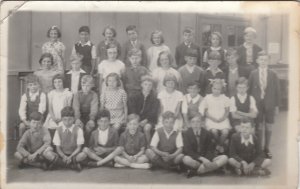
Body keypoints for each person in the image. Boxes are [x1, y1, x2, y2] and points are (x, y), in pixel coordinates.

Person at [248, 51, 280, 158]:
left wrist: (276, 106)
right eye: (261, 60)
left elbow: (277, 91)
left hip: (270, 103)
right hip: (257, 104)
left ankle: (266, 147)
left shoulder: (273, 74)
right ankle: (258, 148)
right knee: (259, 125)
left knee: (269, 125)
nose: (263, 62)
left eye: (265, 60)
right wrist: (250, 105)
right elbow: (249, 89)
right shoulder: (253, 73)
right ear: (257, 61)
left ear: (268, 61)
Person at [49, 106, 86, 171]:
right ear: (62, 119)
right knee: (47, 153)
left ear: (74, 119)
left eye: (70, 119)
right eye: (65, 119)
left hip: (74, 154)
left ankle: (60, 164)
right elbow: (58, 148)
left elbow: (79, 147)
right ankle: (72, 165)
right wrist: (64, 156)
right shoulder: (58, 130)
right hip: (62, 154)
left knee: (83, 155)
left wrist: (70, 157)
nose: (67, 122)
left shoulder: (78, 130)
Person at [200, 79, 231, 154]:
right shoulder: (207, 98)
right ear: (211, 88)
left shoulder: (225, 98)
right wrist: (213, 118)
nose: (216, 91)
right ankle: (221, 144)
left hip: (222, 118)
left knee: (225, 132)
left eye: (219, 89)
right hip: (211, 118)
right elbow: (205, 111)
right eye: (214, 88)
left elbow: (227, 111)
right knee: (214, 131)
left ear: (222, 90)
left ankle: (218, 146)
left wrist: (222, 118)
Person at [127, 75, 160, 145]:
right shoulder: (135, 95)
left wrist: (146, 120)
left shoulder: (154, 98)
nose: (147, 87)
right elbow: (132, 108)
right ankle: (135, 146)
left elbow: (153, 112)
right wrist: (137, 120)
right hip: (136, 118)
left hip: (149, 119)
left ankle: (149, 145)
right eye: (145, 84)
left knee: (146, 128)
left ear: (152, 86)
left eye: (150, 85)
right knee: (134, 126)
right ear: (142, 85)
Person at [43, 74, 73, 139]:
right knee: (51, 126)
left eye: (59, 81)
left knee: (63, 127)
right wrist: (53, 117)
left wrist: (62, 118)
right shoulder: (51, 93)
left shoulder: (68, 93)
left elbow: (68, 108)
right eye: (55, 82)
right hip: (53, 116)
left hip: (64, 116)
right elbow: (50, 107)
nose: (57, 84)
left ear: (63, 82)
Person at [73, 75, 98, 140]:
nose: (85, 88)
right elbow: (76, 108)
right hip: (80, 116)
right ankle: (80, 144)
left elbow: (94, 108)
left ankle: (87, 143)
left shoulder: (94, 95)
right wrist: (77, 118)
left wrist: (91, 119)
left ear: (92, 85)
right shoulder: (77, 94)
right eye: (83, 85)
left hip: (89, 115)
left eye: (88, 85)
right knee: (78, 127)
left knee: (89, 127)